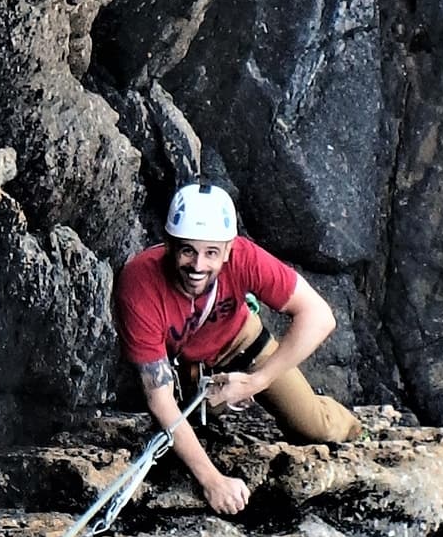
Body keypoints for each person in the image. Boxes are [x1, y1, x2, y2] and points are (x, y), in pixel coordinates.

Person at [114, 182, 363, 515]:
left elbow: (319, 316)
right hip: (188, 374)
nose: (198, 265)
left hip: (245, 346)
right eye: (187, 250)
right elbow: (160, 400)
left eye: (211, 253)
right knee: (184, 436)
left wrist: (256, 381)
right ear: (169, 245)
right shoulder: (139, 284)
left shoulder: (245, 258)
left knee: (315, 427)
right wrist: (213, 481)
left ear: (228, 250)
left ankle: (359, 429)